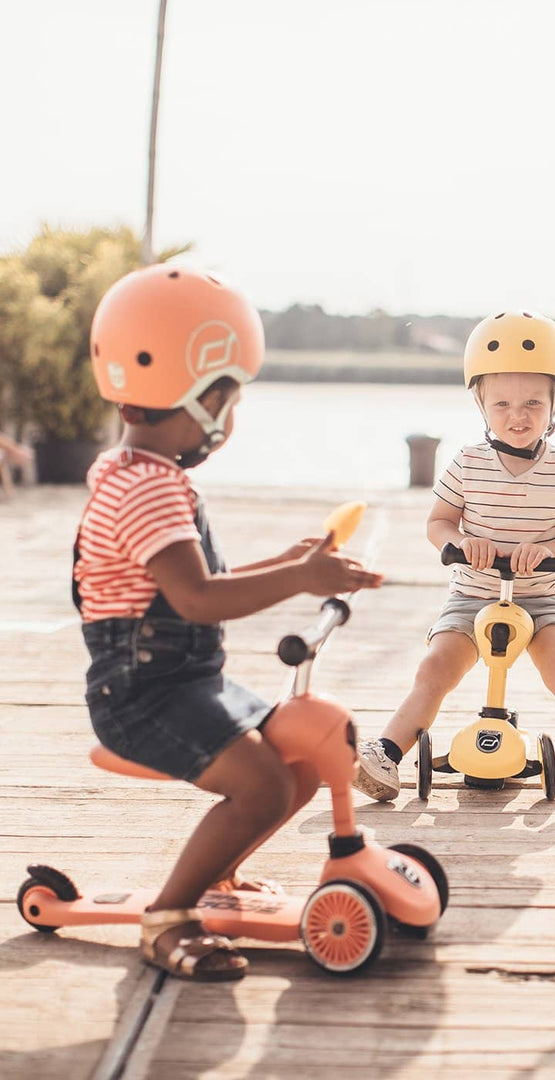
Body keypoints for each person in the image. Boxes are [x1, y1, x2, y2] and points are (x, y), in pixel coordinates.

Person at [75, 265, 381, 980]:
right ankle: (168, 917)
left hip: (184, 682)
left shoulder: (140, 474)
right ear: (199, 396)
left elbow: (199, 585)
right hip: (143, 695)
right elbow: (196, 602)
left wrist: (283, 561)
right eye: (230, 399)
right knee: (266, 786)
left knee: (296, 764)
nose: (231, 418)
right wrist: (300, 579)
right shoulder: (147, 489)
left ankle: (220, 871)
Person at [353, 310, 555, 806]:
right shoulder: (466, 462)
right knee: (436, 667)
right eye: (501, 403)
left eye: (532, 403)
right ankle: (387, 754)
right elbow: (438, 522)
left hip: (543, 598)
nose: (517, 415)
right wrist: (462, 544)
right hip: (472, 592)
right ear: (481, 404)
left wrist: (551, 550)